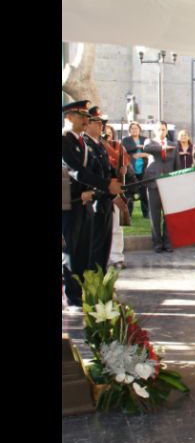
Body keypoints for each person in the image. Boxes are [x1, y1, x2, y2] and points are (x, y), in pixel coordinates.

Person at [62, 101, 122, 311]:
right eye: (81, 116)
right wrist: (106, 185)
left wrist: (98, 189)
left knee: (84, 250)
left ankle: (82, 292)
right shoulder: (64, 141)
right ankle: (72, 297)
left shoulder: (82, 143)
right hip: (70, 203)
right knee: (71, 250)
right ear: (69, 117)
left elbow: (91, 172)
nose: (85, 119)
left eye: (87, 116)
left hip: (85, 201)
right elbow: (76, 171)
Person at [84, 106, 116, 272]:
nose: (102, 125)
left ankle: (102, 284)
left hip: (106, 202)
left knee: (105, 247)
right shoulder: (85, 144)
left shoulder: (100, 145)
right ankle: (92, 289)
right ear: (87, 123)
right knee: (95, 248)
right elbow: (87, 175)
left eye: (103, 122)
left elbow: (108, 171)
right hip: (95, 202)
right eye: (98, 122)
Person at [144, 121, 178, 253]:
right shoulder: (150, 142)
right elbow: (147, 149)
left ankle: (168, 243)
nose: (161, 132)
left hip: (169, 184)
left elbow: (177, 164)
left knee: (168, 216)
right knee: (155, 215)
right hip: (154, 183)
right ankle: (157, 243)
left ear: (166, 130)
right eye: (159, 129)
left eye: (163, 129)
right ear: (155, 131)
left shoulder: (174, 145)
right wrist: (162, 148)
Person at [103, 124, 131, 270]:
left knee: (116, 226)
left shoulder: (118, 146)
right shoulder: (97, 146)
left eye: (109, 134)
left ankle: (117, 256)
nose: (107, 137)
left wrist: (123, 168)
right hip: (101, 189)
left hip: (116, 188)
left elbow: (125, 163)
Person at [122, 122, 149, 218]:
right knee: (129, 192)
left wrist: (144, 154)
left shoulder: (145, 139)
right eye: (132, 128)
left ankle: (146, 213)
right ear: (129, 130)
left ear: (139, 129)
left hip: (143, 168)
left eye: (136, 128)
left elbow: (149, 150)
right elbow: (125, 149)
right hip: (130, 170)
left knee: (144, 192)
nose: (134, 130)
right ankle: (129, 213)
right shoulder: (126, 140)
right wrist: (138, 147)